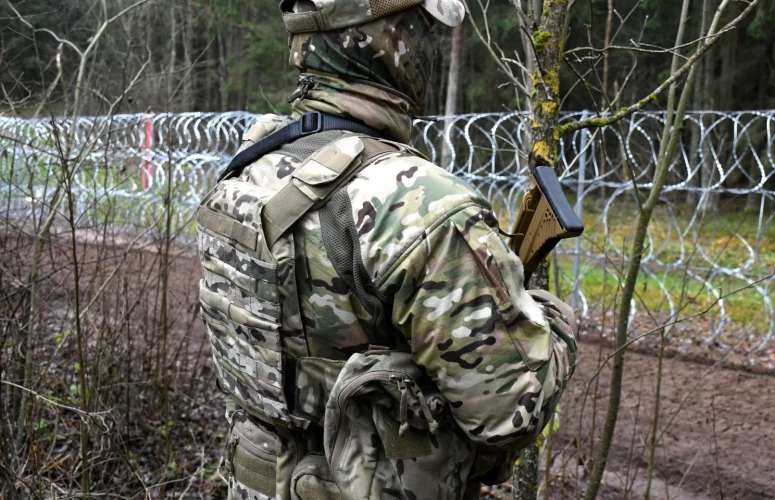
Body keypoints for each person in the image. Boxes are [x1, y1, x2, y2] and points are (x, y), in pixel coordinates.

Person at [195, 1, 579, 499]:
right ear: (385, 41)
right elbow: (510, 413)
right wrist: (550, 317)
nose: (430, 48)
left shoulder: (248, 172)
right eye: (421, 31)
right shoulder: (419, 204)